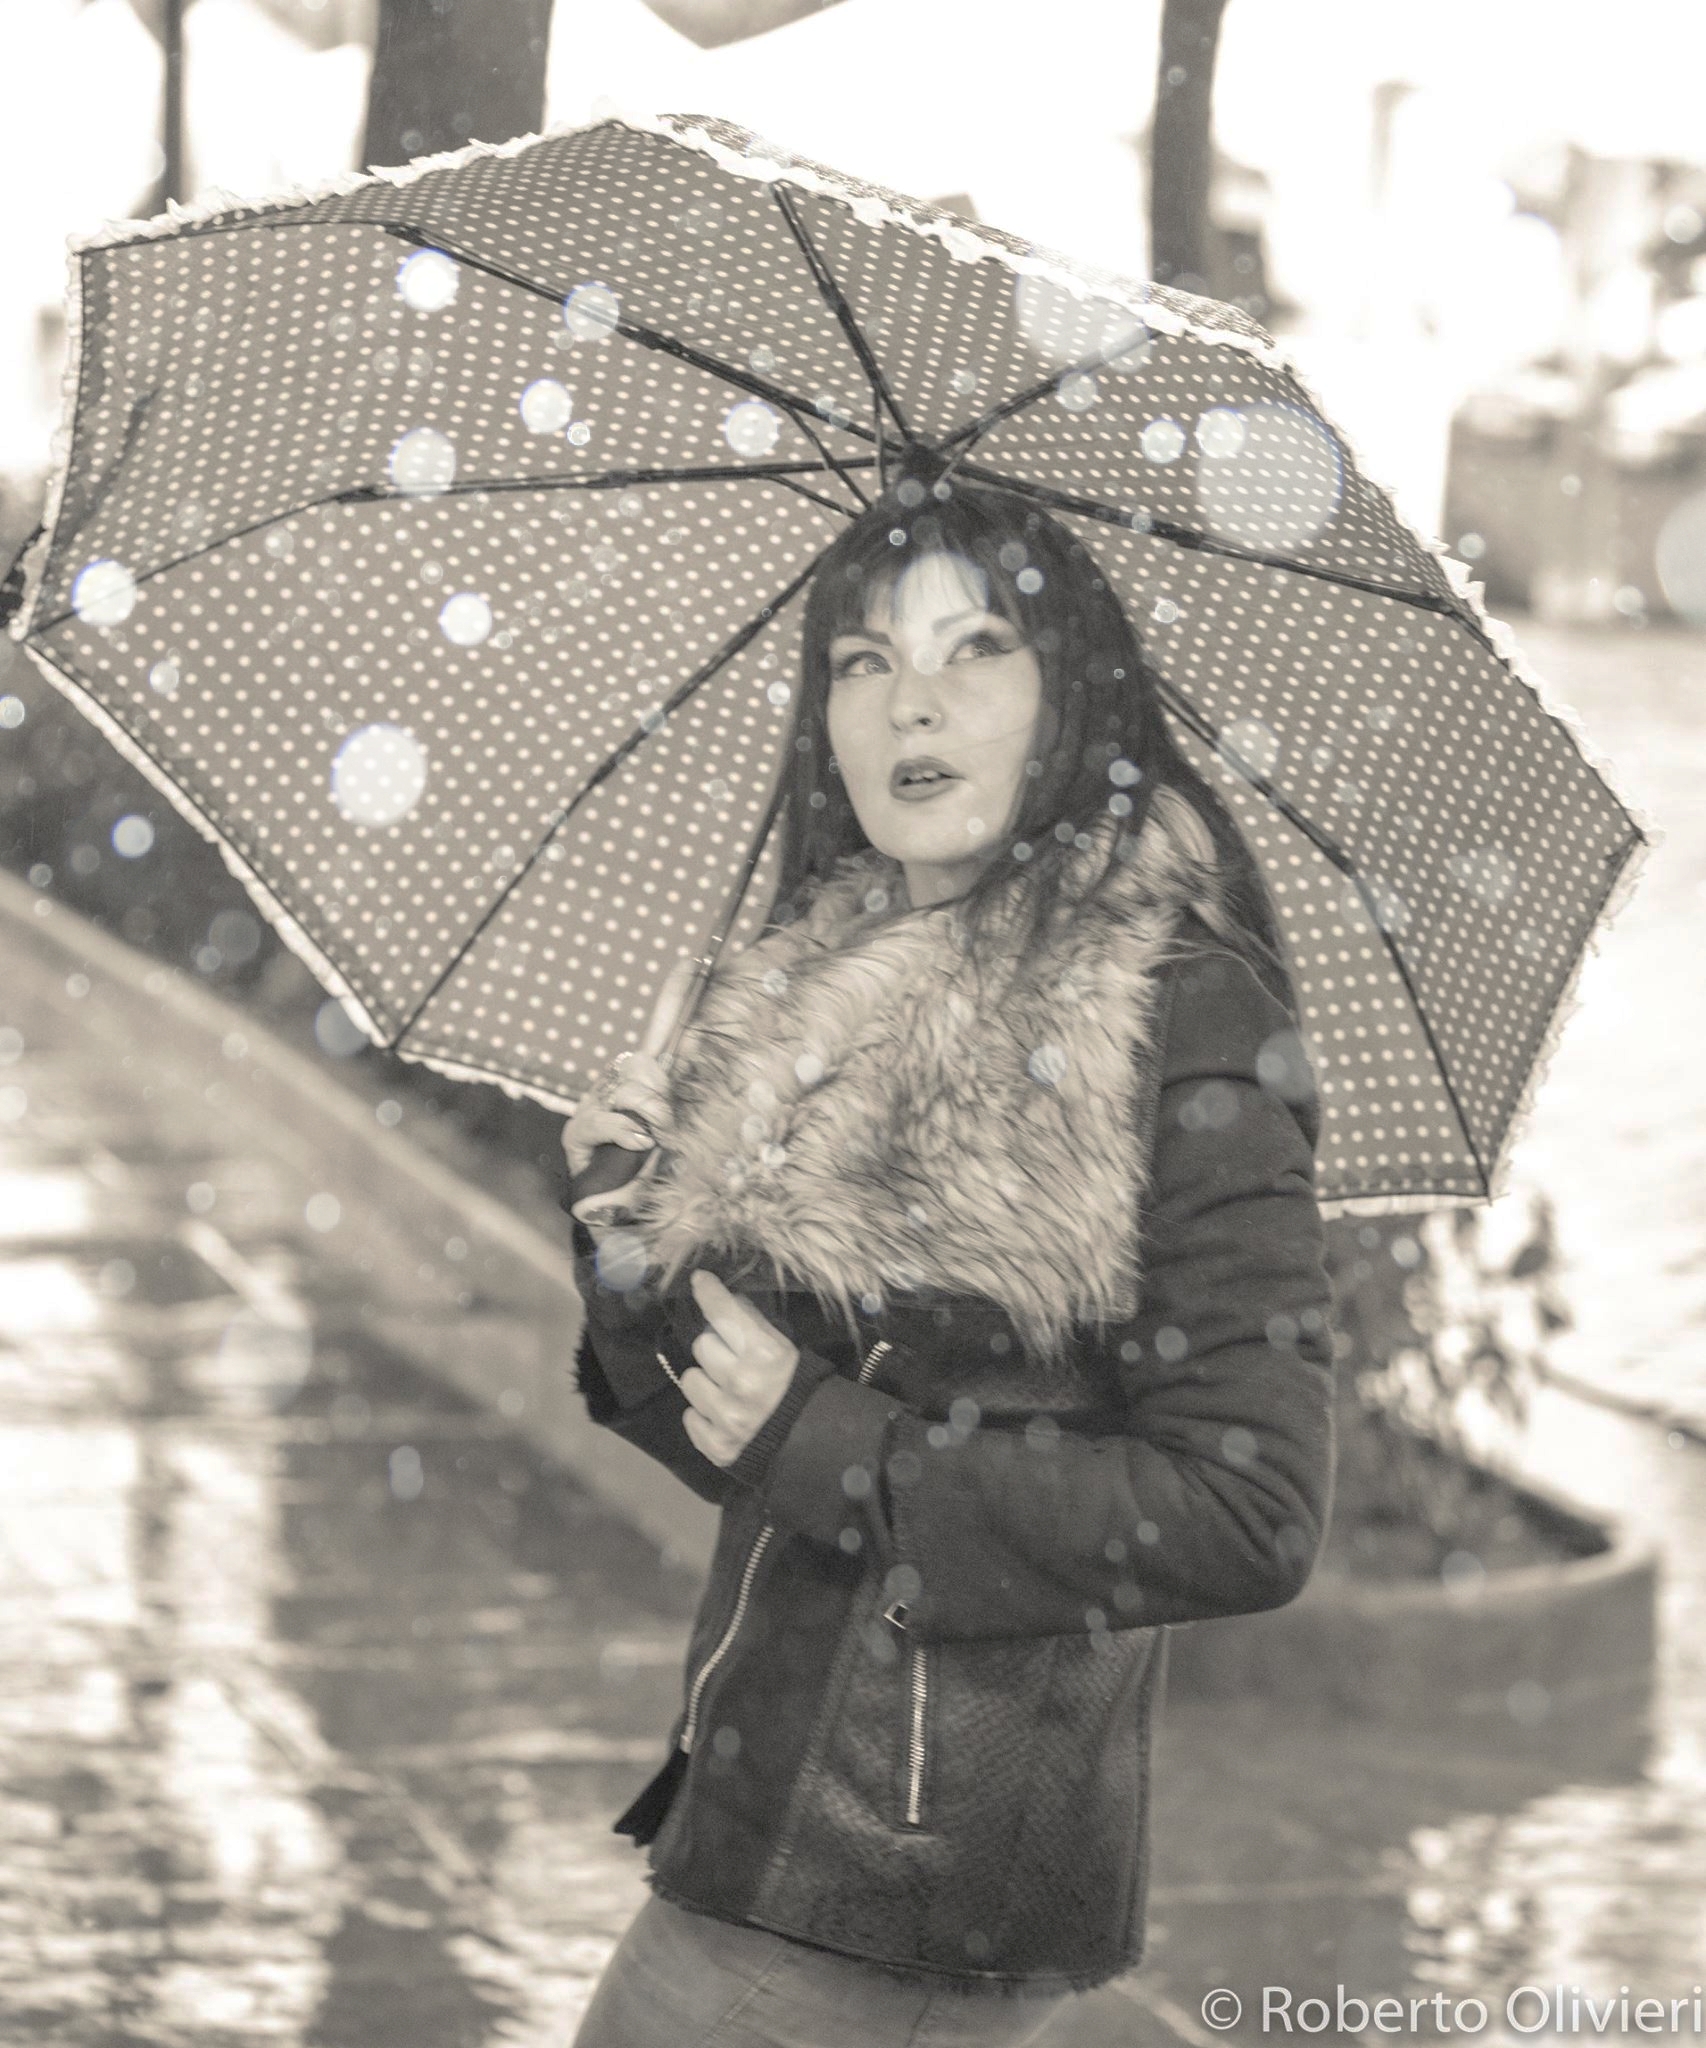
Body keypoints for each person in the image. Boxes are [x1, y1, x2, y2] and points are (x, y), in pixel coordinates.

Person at [561, 475, 1336, 2047]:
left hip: (912, 1880)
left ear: (1071, 699)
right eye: (859, 662)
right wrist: (633, 1254)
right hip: (762, 1805)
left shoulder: (1172, 1011)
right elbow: (755, 1447)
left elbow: (1248, 1509)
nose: (909, 701)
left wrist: (832, 1446)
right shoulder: (814, 993)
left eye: (975, 647)